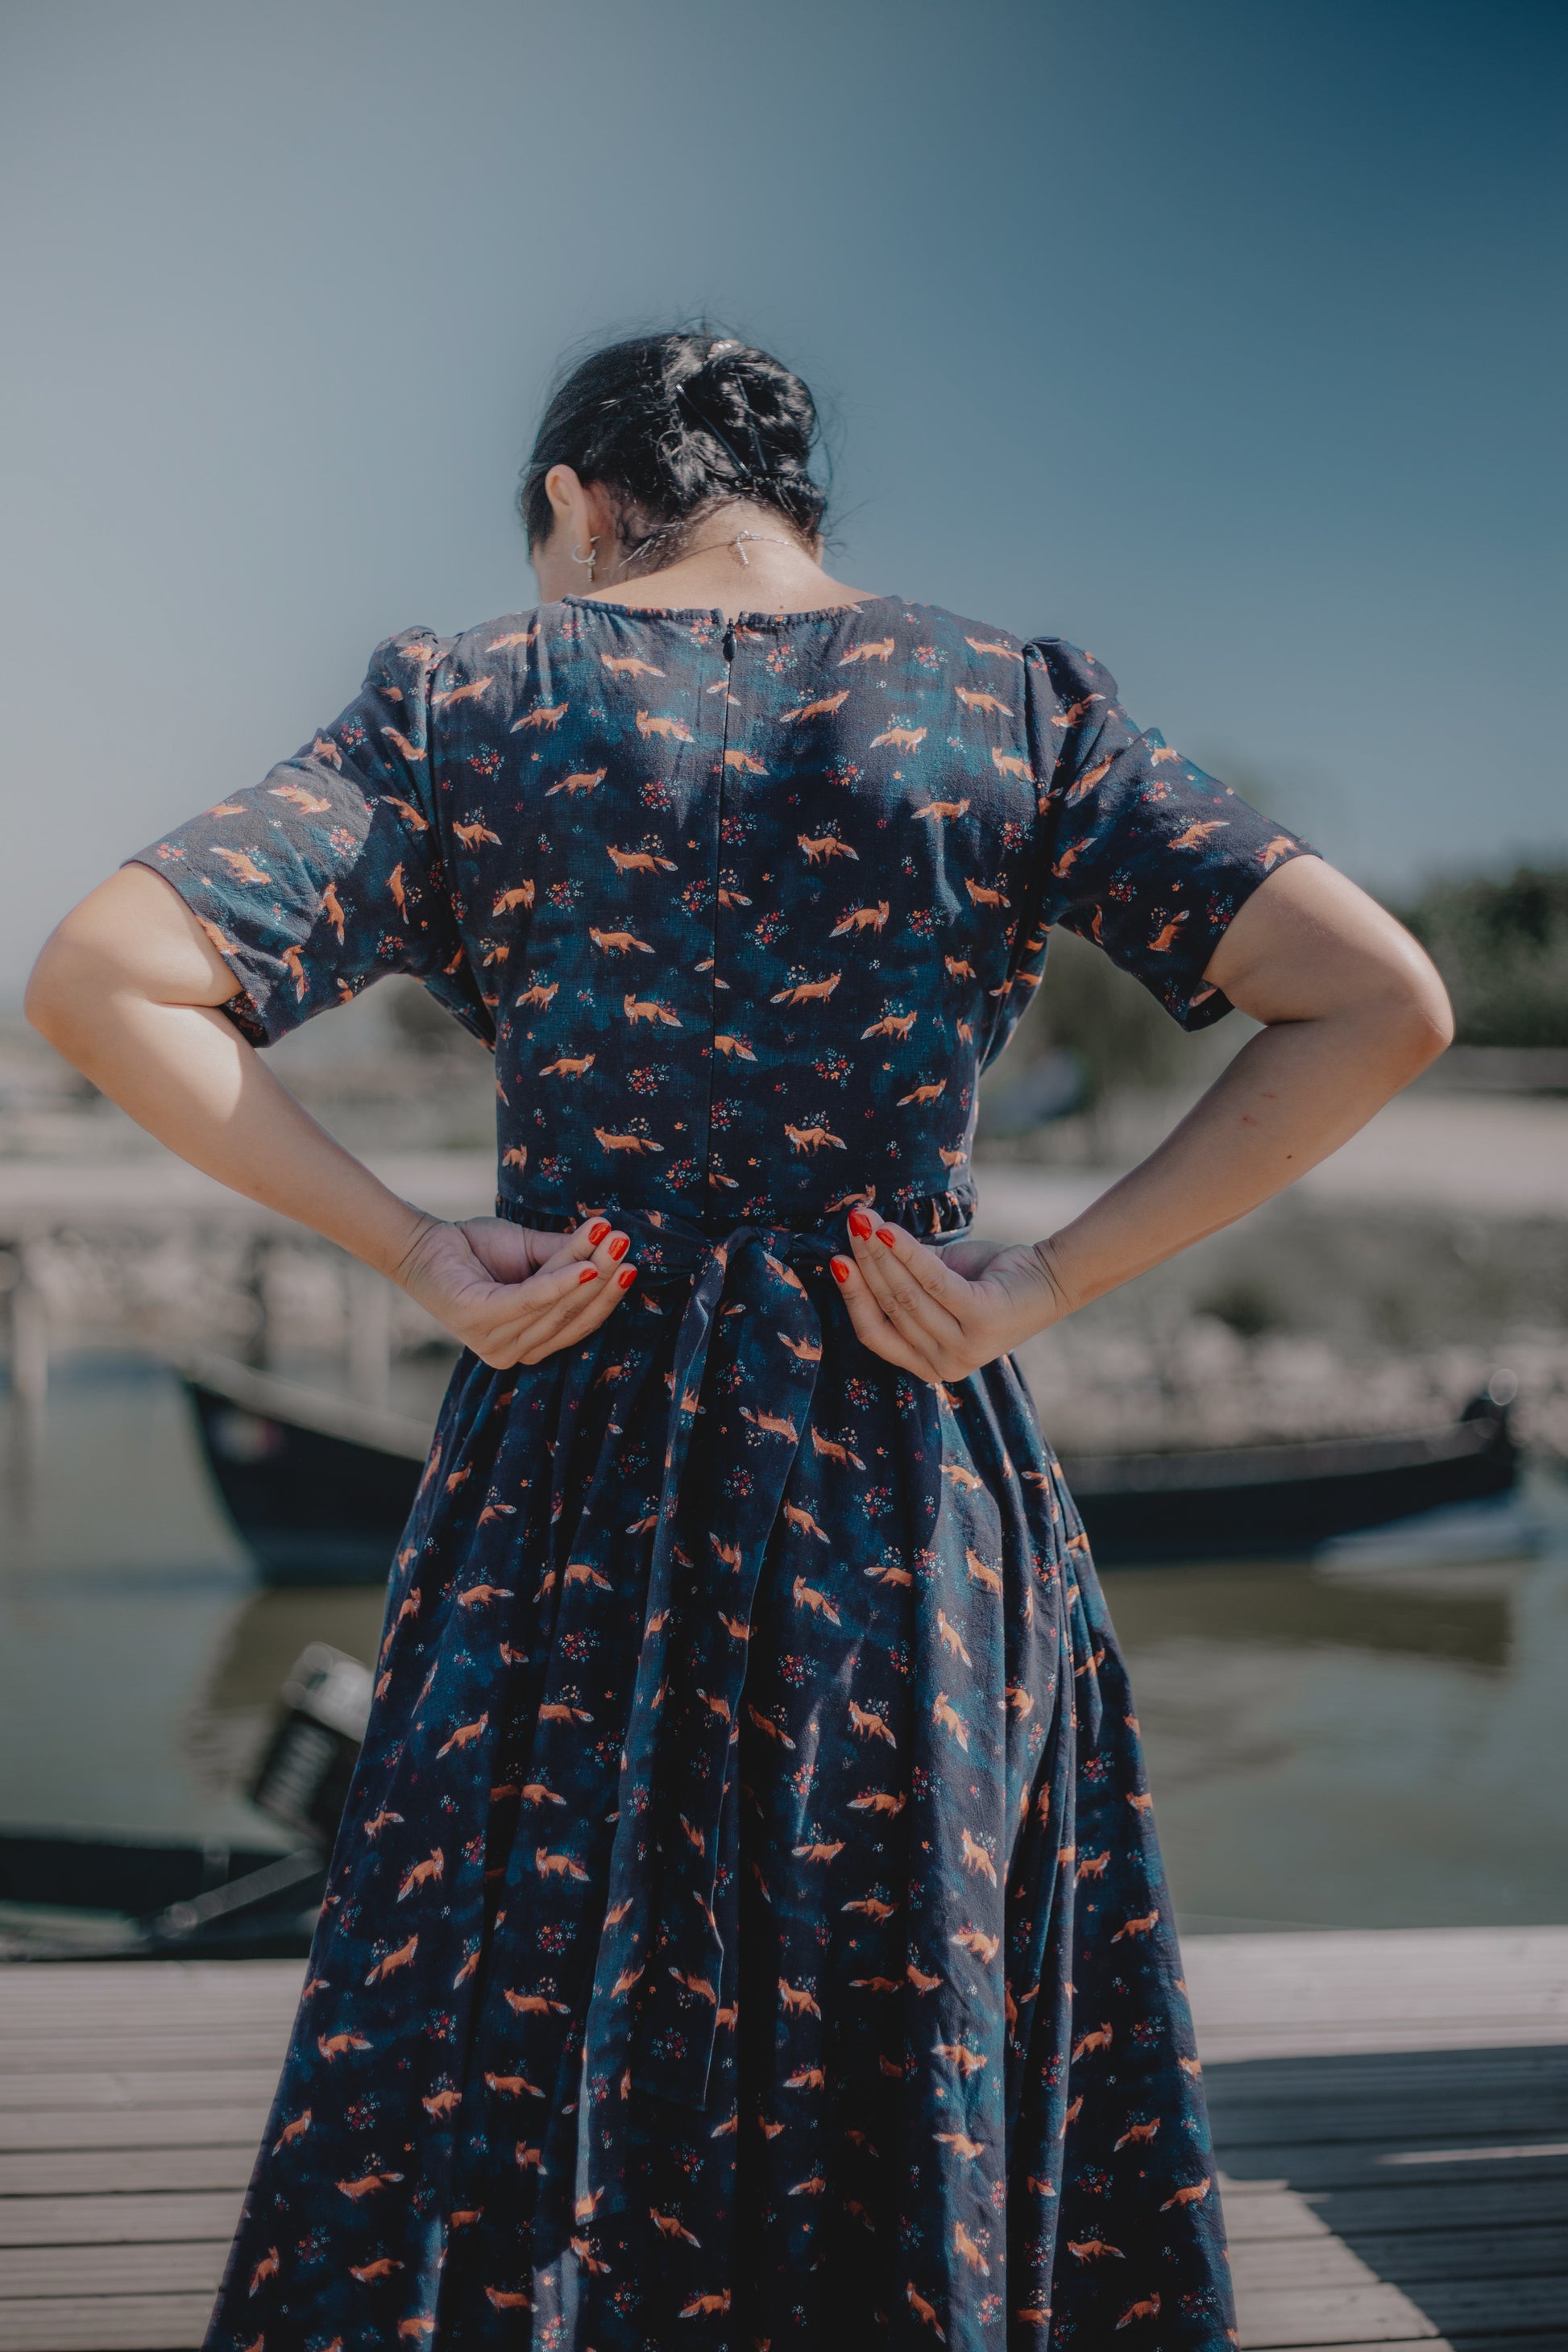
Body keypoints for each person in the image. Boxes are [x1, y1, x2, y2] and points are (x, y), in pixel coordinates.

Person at [26, 329, 1451, 2352]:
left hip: (572, 1456)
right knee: (892, 2025)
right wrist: (1046, 1281)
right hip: (905, 1455)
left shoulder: (474, 701)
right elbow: (1380, 1000)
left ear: (570, 512)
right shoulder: (1007, 704)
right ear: (793, 510)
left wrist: (422, 1250)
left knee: (518, 2045)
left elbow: (103, 979)